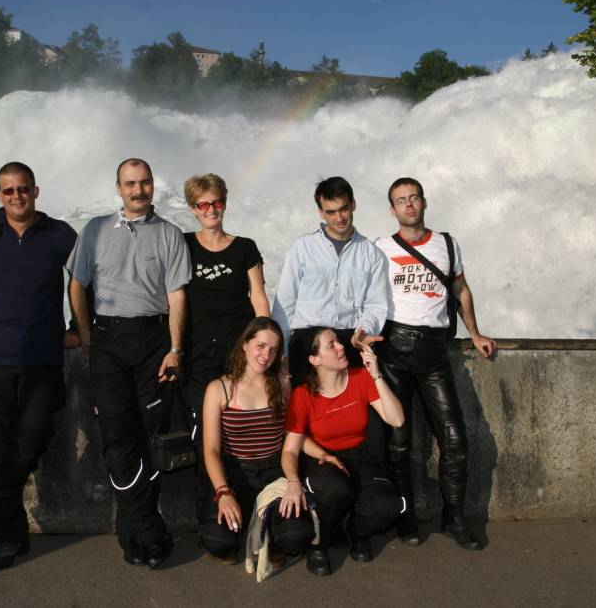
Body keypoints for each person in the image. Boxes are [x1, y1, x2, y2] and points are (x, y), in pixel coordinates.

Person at [0, 161, 78, 569]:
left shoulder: (60, 235)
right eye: (8, 191)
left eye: (23, 189)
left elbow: (86, 282)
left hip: (42, 359)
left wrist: (79, 326)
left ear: (36, 191)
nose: (16, 196)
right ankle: (10, 539)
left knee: (30, 443)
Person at [68, 158, 191, 569]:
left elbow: (176, 297)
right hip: (108, 342)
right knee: (118, 440)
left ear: (153, 185)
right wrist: (86, 339)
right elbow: (77, 285)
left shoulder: (171, 234)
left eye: (145, 183)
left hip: (154, 342)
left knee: (151, 438)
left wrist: (175, 348)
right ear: (118, 187)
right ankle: (148, 528)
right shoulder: (95, 230)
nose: (139, 190)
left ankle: (132, 529)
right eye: (130, 183)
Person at [374, 177, 496, 551]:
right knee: (399, 443)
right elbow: (365, 295)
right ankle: (405, 516)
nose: (408, 205)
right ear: (392, 209)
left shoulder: (446, 243)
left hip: (434, 350)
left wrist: (474, 333)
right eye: (400, 200)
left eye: (413, 198)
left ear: (423, 203)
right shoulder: (379, 248)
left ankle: (454, 518)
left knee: (455, 440)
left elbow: (460, 289)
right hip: (393, 349)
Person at [281, 328, 405, 576]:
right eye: (331, 345)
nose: (341, 347)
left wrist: (377, 375)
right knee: (335, 488)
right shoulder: (303, 394)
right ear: (315, 360)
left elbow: (397, 419)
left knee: (388, 504)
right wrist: (293, 481)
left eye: (339, 342)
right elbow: (290, 449)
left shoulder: (360, 377)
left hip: (360, 455)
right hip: (322, 458)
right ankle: (320, 541)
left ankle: (357, 532)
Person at [182, 173, 271, 517]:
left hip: (239, 353)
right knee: (203, 436)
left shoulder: (245, 247)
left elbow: (259, 299)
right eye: (203, 204)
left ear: (224, 203)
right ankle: (213, 512)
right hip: (199, 355)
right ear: (193, 209)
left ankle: (252, 508)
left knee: (243, 431)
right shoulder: (184, 244)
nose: (211, 210)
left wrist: (267, 348)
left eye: (216, 202)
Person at [199, 317, 314, 564]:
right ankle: (242, 530)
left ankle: (273, 532)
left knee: (296, 536)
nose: (266, 355)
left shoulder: (280, 384)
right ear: (245, 344)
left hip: (274, 471)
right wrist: (223, 491)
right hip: (235, 472)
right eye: (260, 346)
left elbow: (292, 437)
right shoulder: (219, 388)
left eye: (273, 350)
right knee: (218, 541)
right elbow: (210, 449)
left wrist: (305, 470)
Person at [271, 176, 389, 383]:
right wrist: (282, 351)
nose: (339, 218)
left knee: (352, 413)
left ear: (353, 204)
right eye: (331, 212)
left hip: (349, 341)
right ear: (321, 212)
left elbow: (376, 305)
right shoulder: (302, 248)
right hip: (307, 343)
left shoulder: (372, 254)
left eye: (343, 209)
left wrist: (364, 331)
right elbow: (285, 304)